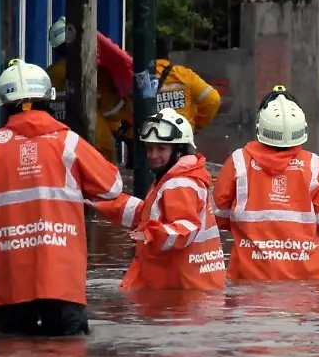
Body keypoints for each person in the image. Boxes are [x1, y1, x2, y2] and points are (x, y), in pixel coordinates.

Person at [0, 58, 138, 336]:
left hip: (10, 280)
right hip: (62, 280)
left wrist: (4, 221)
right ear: (49, 98)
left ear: (2, 103)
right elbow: (111, 186)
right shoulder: (68, 142)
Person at [212, 86, 319, 281]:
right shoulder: (313, 166)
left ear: (260, 126)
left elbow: (217, 217)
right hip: (305, 287)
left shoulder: (238, 162)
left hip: (248, 284)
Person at [91, 107, 226, 290]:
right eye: (150, 148)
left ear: (179, 151)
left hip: (182, 293)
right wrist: (103, 202)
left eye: (161, 149)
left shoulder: (179, 183)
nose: (153, 156)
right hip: (191, 289)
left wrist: (151, 234)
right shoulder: (179, 178)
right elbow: (148, 214)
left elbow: (185, 229)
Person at [46, 17, 132, 163]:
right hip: (96, 150)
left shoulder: (46, 77)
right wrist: (131, 104)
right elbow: (111, 108)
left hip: (55, 149)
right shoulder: (94, 74)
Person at [154, 36, 221, 132]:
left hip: (148, 135)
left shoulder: (137, 77)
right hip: (181, 135)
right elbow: (213, 99)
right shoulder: (183, 74)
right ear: (168, 55)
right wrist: (196, 124)